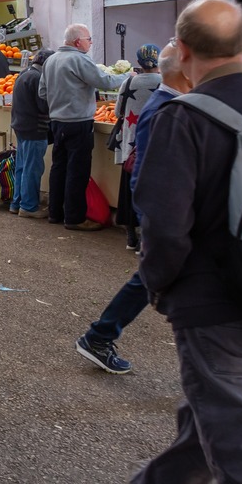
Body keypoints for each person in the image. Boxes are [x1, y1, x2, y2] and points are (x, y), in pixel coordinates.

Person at [130, 0, 242, 484]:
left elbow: (163, 225)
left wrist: (161, 288)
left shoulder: (184, 119)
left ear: (183, 49)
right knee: (227, 419)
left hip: (217, 309)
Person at [75, 43, 189, 375]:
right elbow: (150, 178)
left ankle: (100, 336)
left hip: (171, 220)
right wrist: (157, 224)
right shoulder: (165, 109)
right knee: (150, 279)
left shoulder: (169, 103)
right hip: (169, 220)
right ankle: (99, 336)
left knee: (155, 279)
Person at [38, 24, 124, 230]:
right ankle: (74, 218)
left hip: (57, 122)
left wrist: (59, 100)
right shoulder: (79, 59)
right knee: (78, 170)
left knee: (59, 167)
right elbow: (105, 81)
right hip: (78, 122)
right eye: (89, 39)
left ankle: (55, 213)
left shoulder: (50, 60)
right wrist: (128, 77)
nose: (91, 42)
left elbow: (42, 92)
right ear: (78, 42)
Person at [109, 44, 162, 250]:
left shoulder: (129, 81)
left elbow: (117, 112)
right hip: (154, 143)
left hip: (130, 144)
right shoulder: (165, 83)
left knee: (128, 187)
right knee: (151, 190)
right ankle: (146, 239)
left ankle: (130, 235)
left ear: (138, 62)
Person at [8, 49, 54, 218]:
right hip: (35, 128)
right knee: (32, 168)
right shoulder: (38, 78)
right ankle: (28, 206)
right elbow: (43, 106)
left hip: (21, 126)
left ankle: (17, 203)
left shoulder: (25, 73)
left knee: (22, 166)